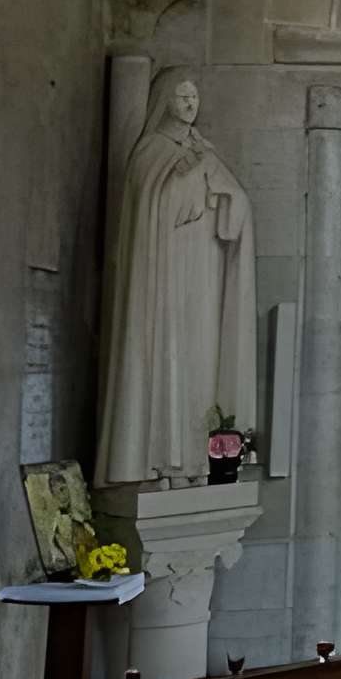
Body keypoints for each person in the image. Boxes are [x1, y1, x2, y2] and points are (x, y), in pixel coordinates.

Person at [95, 68, 257, 486]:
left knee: (200, 362)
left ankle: (196, 462)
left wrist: (226, 198)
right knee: (165, 359)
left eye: (194, 97)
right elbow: (157, 206)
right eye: (183, 96)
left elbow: (237, 202)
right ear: (165, 100)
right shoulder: (152, 151)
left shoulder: (204, 149)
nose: (190, 104)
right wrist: (189, 176)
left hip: (204, 272)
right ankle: (158, 462)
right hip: (165, 275)